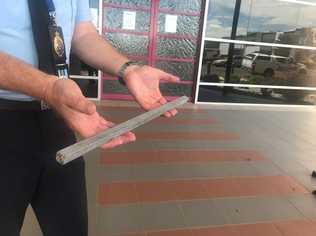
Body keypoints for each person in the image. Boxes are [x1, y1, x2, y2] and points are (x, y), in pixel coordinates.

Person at [0, 0, 179, 235]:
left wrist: (128, 69)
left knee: (71, 227)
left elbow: (82, 34)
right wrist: (48, 88)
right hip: (6, 119)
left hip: (60, 116)